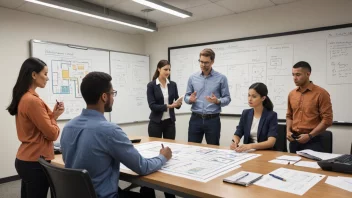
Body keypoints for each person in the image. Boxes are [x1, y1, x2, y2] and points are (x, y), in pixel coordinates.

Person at [60, 71, 172, 198]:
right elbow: (142, 167)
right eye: (112, 93)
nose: (113, 97)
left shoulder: (68, 127)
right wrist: (163, 157)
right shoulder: (110, 131)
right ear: (104, 97)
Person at [6, 57, 65, 198]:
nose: (47, 78)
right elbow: (52, 134)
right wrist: (55, 122)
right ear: (34, 75)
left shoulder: (25, 97)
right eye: (45, 74)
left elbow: (38, 128)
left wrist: (53, 116)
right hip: (35, 162)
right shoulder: (33, 101)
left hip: (26, 159)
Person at [184, 48, 231, 145]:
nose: (203, 65)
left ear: (212, 61)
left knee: (213, 150)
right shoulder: (192, 78)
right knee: (192, 149)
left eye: (206, 62)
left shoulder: (221, 78)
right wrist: (190, 99)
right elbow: (186, 96)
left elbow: (227, 98)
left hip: (212, 120)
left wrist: (217, 101)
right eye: (201, 62)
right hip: (195, 119)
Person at [286, 61, 333, 153]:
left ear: (308, 74)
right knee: (292, 167)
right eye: (293, 75)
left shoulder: (321, 93)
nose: (294, 78)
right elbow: (289, 116)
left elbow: (327, 120)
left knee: (310, 167)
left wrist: (310, 135)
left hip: (314, 140)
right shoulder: (292, 94)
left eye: (298, 75)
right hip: (294, 140)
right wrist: (288, 131)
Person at [230, 83, 277, 152]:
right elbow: (238, 133)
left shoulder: (271, 115)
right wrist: (235, 141)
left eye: (254, 96)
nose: (250, 99)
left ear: (263, 98)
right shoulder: (245, 113)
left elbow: (271, 142)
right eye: (249, 95)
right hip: (248, 152)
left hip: (264, 152)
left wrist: (250, 146)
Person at [147, 60, 182, 140]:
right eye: (165, 69)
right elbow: (152, 106)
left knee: (170, 147)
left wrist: (179, 103)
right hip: (156, 122)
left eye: (169, 70)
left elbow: (177, 103)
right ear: (159, 69)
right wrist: (168, 106)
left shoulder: (173, 84)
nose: (168, 72)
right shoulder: (151, 85)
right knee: (155, 147)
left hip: (170, 122)